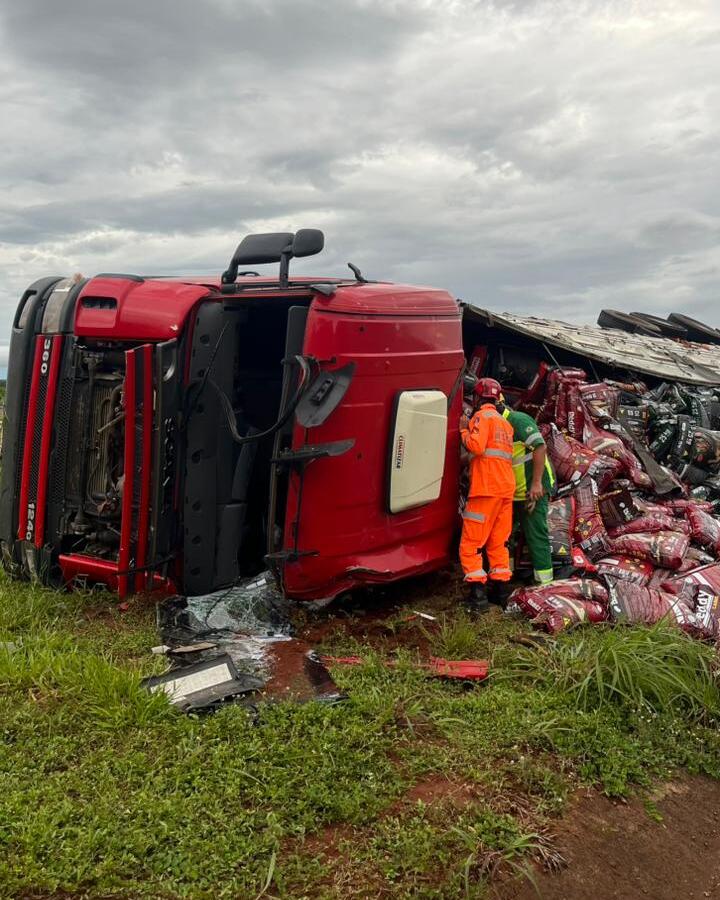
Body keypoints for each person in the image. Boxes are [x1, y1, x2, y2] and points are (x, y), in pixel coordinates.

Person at [459, 378, 516, 613]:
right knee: (497, 543)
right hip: (505, 490)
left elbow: (476, 446)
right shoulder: (505, 424)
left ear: (477, 397)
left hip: (485, 489)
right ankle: (501, 592)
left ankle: (477, 597)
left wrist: (463, 428)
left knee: (470, 544)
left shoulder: (481, 418)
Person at [500, 400, 556, 585]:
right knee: (505, 536)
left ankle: (544, 584)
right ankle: (506, 579)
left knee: (535, 533)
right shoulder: (496, 426)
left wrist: (536, 485)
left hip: (531, 490)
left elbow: (540, 447)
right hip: (513, 492)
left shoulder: (518, 421)